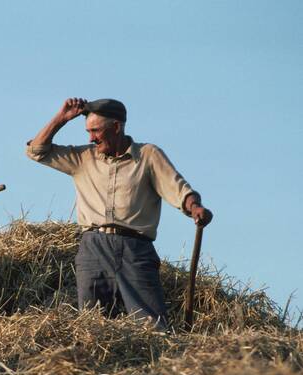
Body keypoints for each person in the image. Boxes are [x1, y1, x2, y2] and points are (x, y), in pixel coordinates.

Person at [26, 98, 213, 330]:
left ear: (116, 127)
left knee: (152, 326)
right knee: (93, 326)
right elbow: (36, 150)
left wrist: (195, 207)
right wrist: (61, 118)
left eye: (95, 131)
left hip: (135, 249)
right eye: (88, 131)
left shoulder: (148, 155)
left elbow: (179, 190)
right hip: (92, 247)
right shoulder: (82, 158)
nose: (91, 138)